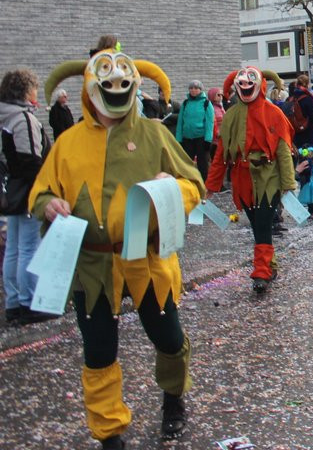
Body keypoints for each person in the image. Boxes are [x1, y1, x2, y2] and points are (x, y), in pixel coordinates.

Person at [32, 49, 205, 449]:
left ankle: (173, 399)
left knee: (168, 338)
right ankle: (109, 431)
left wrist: (172, 189)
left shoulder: (155, 134)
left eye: (122, 83)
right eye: (105, 84)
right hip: (91, 263)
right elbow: (41, 191)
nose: (114, 90)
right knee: (98, 351)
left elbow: (195, 183)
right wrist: (48, 205)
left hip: (146, 259)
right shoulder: (67, 143)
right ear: (90, 91)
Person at [205, 67, 296, 292]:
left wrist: (288, 183)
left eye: (250, 84)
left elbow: (283, 150)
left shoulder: (274, 112)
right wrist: (211, 186)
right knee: (257, 226)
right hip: (243, 180)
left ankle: (261, 272)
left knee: (264, 223)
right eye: (241, 84)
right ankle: (269, 265)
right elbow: (221, 155)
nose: (246, 88)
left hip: (268, 179)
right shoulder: (232, 116)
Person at [1, 69, 52, 325]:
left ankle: (13, 302)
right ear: (25, 91)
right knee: (30, 246)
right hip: (28, 189)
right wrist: (43, 187)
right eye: (34, 88)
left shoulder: (5, 116)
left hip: (11, 188)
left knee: (14, 247)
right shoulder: (22, 118)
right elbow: (31, 158)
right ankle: (29, 301)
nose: (36, 92)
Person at [289, 74, 313, 219]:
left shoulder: (291, 99)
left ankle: (307, 203)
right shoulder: (308, 99)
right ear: (307, 84)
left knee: (303, 172)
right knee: (312, 171)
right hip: (310, 139)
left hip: (298, 140)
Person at [175, 80, 214, 180]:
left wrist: (208, 139)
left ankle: (204, 184)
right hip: (187, 138)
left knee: (203, 164)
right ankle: (188, 183)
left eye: (196, 88)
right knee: (186, 163)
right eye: (191, 88)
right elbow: (180, 122)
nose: (193, 90)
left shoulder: (206, 103)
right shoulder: (185, 103)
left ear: (200, 90)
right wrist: (178, 139)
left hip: (201, 138)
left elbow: (210, 123)